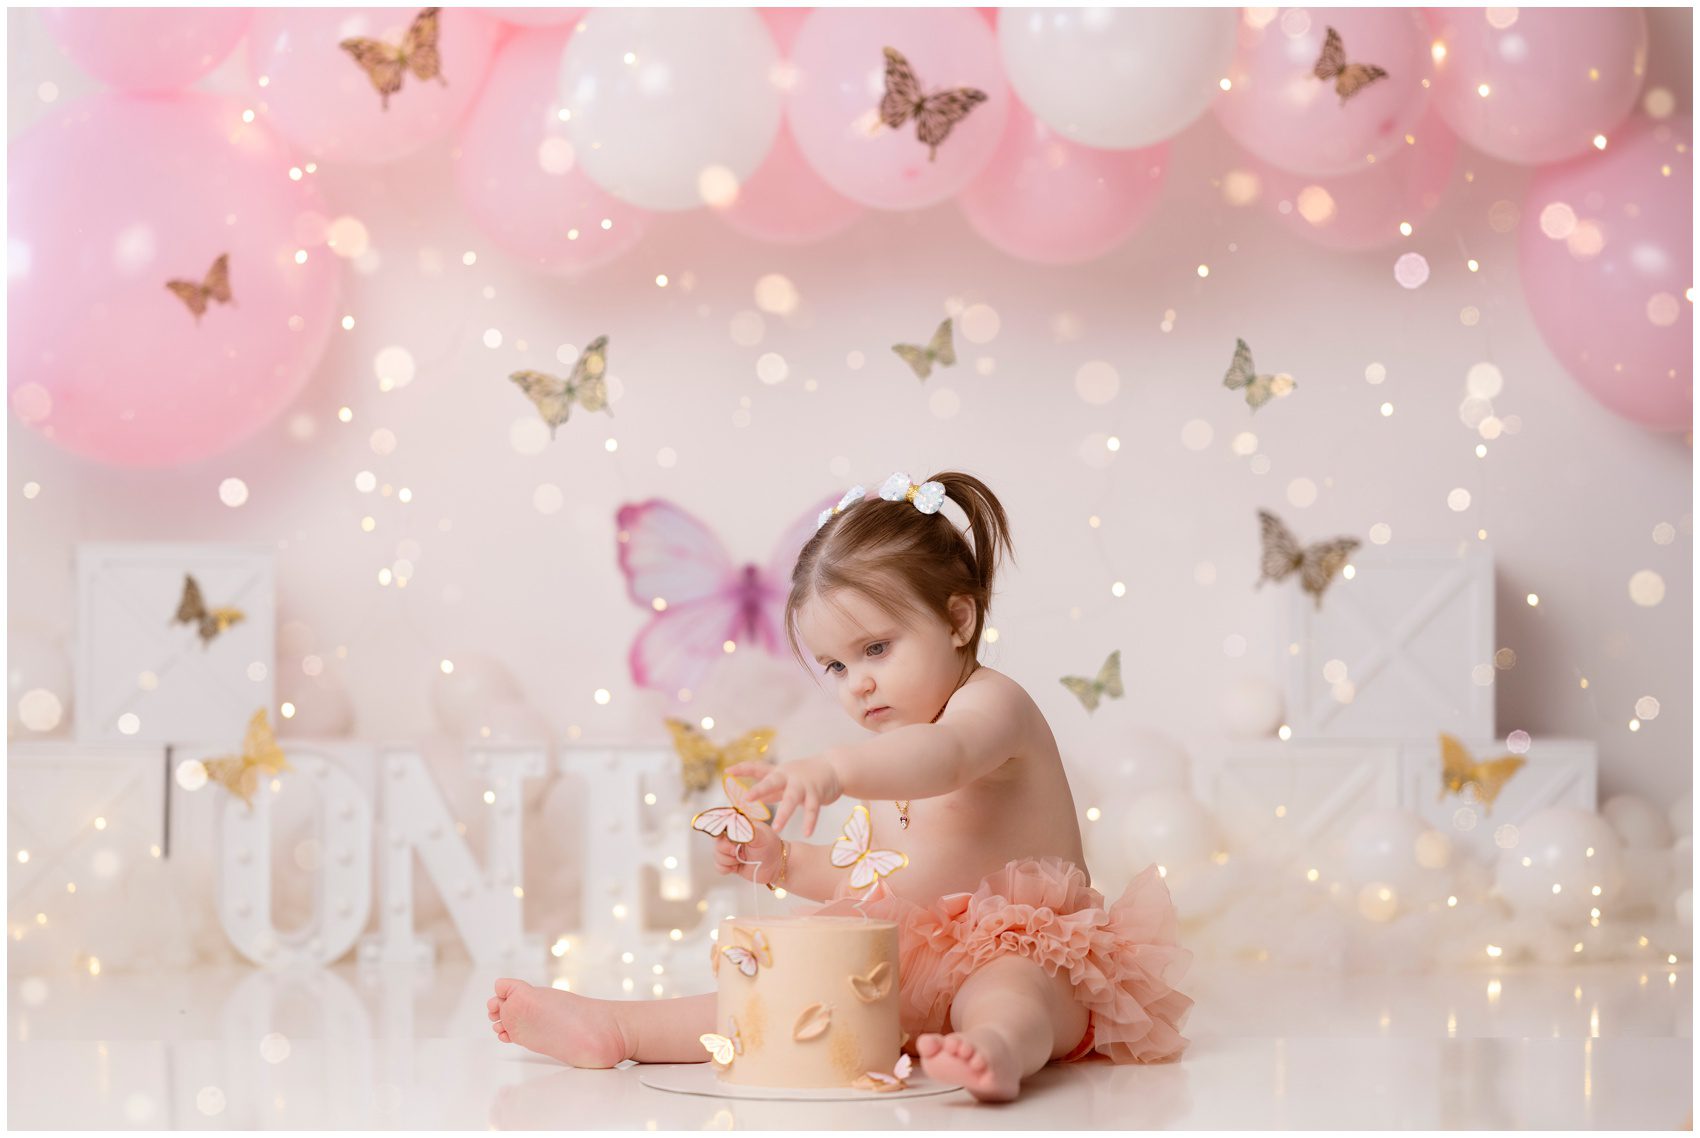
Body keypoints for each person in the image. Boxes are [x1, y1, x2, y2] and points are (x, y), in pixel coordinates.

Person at [490, 470, 1193, 1102]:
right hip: (907, 966)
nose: (856, 683)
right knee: (774, 989)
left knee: (1010, 990)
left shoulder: (991, 708)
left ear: (957, 620)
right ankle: (618, 1026)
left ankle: (994, 1050)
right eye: (832, 666)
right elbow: (876, 880)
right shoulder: (888, 750)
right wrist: (785, 862)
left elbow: (947, 758)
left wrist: (832, 770)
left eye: (876, 650)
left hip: (1033, 952)